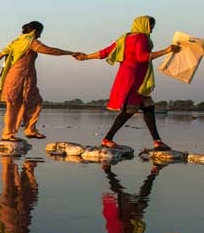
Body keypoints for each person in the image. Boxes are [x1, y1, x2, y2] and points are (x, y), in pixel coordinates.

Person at [76, 16, 179, 151]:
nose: (152, 30)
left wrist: (86, 57)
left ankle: (157, 141)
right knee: (128, 111)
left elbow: (106, 52)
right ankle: (107, 139)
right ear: (144, 26)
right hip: (134, 79)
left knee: (148, 107)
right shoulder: (141, 37)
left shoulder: (125, 37)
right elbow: (142, 57)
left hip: (129, 77)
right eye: (151, 26)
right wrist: (166, 51)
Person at [0, 21, 79, 141]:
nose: (40, 35)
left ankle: (25, 131)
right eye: (40, 32)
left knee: (30, 102)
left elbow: (1, 53)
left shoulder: (17, 41)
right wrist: (70, 53)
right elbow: (50, 50)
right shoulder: (31, 42)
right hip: (22, 76)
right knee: (18, 104)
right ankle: (12, 133)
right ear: (35, 31)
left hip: (14, 76)